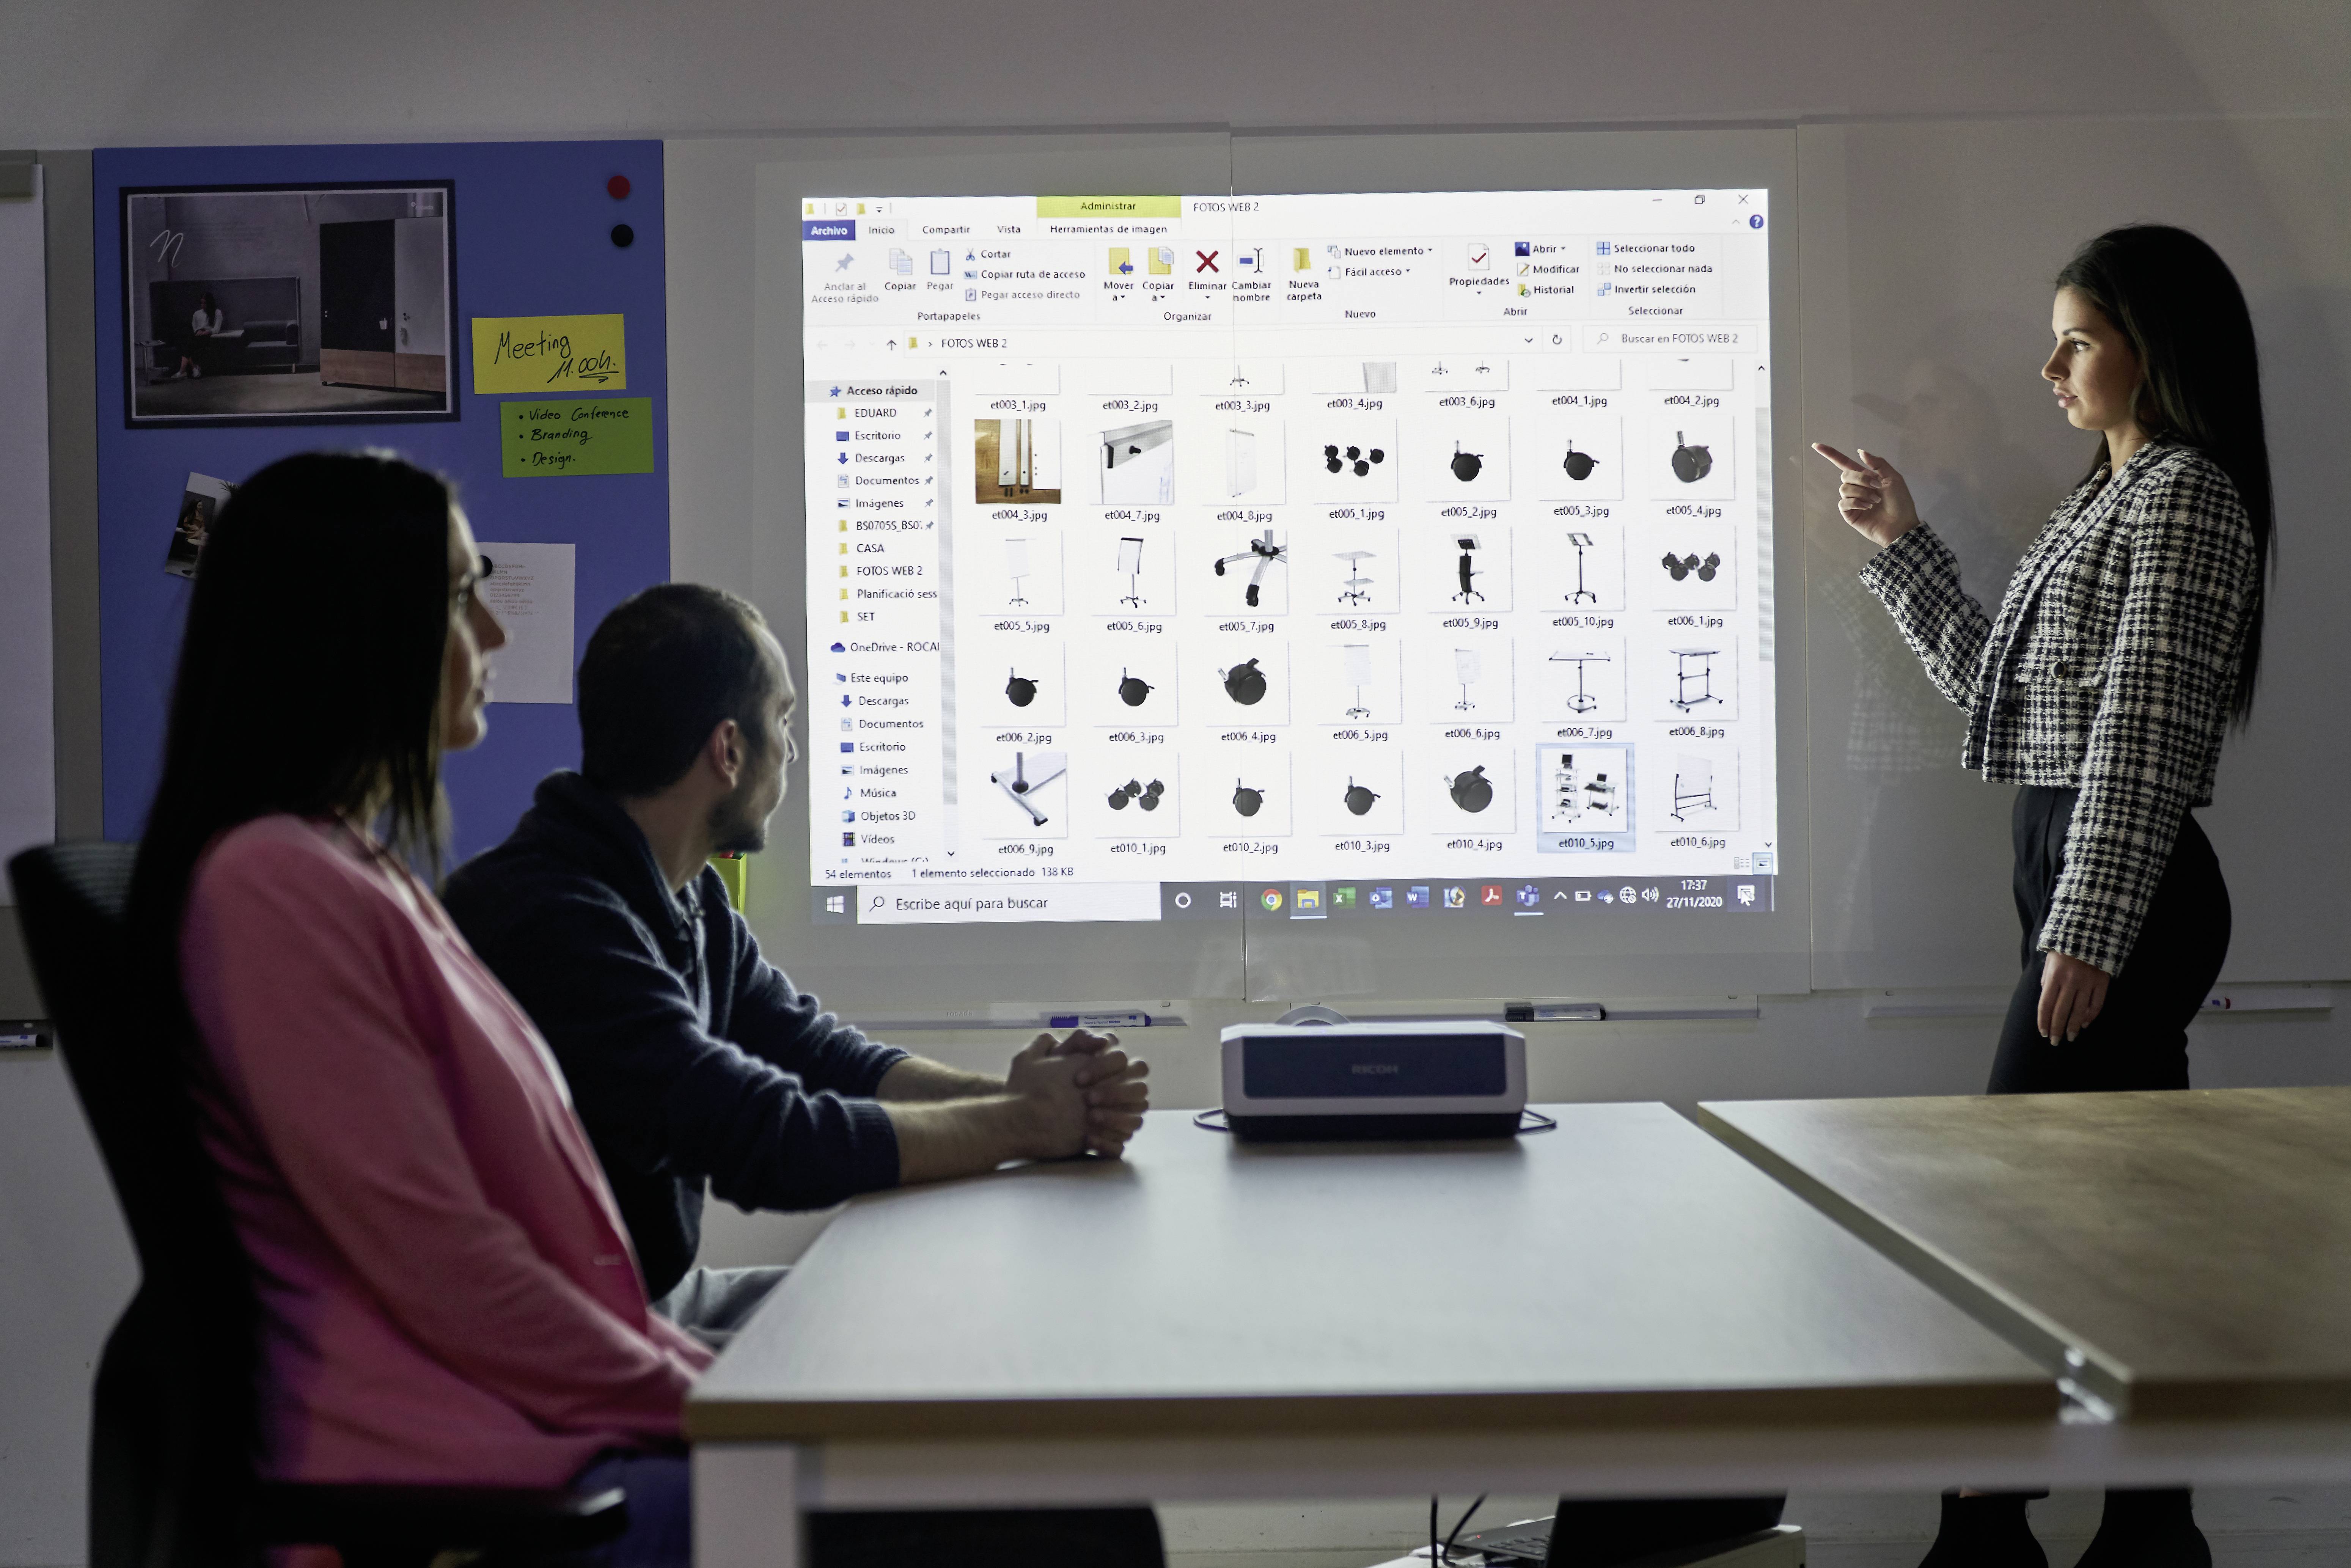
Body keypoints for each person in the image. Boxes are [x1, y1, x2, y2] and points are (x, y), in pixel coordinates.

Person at [438, 581, 1162, 1565]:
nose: (794, 749)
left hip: (656, 1300)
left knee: (983, 1352)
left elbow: (823, 1055)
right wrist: (1029, 1123)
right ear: (728, 751)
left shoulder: (681, 897)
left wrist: (1022, 1097)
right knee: (1083, 1513)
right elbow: (768, 1139)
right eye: (784, 721)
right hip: (579, 1355)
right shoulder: (552, 916)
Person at [127, 451, 710, 1564]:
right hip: (465, 1492)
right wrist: (721, 1405)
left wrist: (731, 1392)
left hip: (524, 1443)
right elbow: (454, 1267)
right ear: (350, 632)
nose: (492, 632)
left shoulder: (354, 870)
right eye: (456, 597)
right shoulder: (273, 886)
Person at [1815, 224, 2271, 1568]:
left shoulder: (2182, 493)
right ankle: (2148, 1531)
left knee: (2001, 1222)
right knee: (2124, 1232)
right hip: (2073, 862)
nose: (2047, 368)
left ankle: (1984, 1533)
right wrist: (1900, 542)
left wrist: (2085, 922)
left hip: (2116, 877)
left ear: (2152, 348)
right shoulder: (2102, 495)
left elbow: (2141, 732)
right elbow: (2002, 703)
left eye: (2075, 340)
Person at [168, 290, 223, 380]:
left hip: (208, 336)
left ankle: (183, 371)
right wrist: (197, 332)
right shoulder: (197, 313)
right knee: (186, 343)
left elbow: (217, 329)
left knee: (187, 345)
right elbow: (194, 327)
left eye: (205, 303)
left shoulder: (217, 312)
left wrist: (206, 332)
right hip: (197, 335)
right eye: (202, 303)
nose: (203, 305)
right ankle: (194, 369)